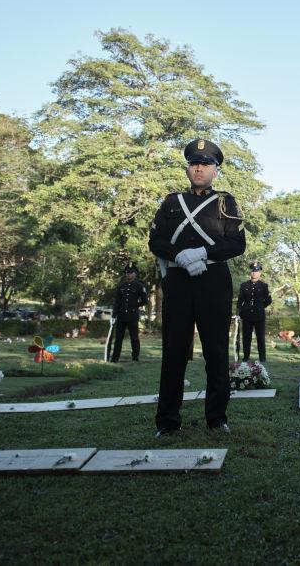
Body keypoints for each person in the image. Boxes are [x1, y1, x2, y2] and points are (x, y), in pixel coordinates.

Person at [149, 139, 245, 437]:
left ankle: (217, 419)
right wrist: (179, 255)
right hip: (178, 282)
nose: (199, 168)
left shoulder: (225, 202)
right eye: (194, 163)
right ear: (188, 168)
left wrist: (202, 253)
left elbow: (237, 243)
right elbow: (155, 240)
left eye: (205, 164)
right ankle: (167, 422)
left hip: (213, 282)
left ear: (216, 170)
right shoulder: (171, 202)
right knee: (173, 352)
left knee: (216, 352)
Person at [109, 265, 148, 362]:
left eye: (130, 273)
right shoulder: (121, 286)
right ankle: (115, 358)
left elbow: (145, 301)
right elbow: (117, 302)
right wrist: (114, 315)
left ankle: (135, 357)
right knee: (118, 339)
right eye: (127, 273)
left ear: (135, 274)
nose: (128, 274)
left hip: (132, 315)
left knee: (134, 338)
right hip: (121, 316)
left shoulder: (139, 286)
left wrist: (135, 305)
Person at [237, 261, 272, 362]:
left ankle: (262, 358)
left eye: (256, 271)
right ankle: (246, 357)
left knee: (260, 337)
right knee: (246, 337)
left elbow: (268, 300)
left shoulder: (264, 286)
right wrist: (239, 312)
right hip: (247, 314)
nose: (254, 273)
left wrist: (261, 306)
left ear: (260, 273)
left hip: (259, 315)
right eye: (252, 271)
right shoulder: (244, 285)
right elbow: (240, 300)